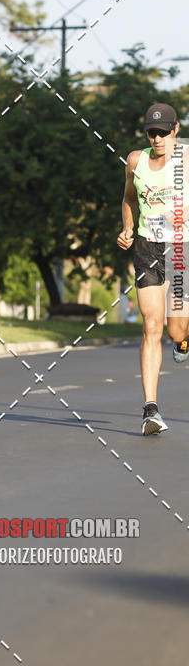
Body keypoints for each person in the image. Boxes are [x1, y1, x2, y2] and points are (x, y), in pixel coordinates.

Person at [117, 103, 189, 435]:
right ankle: (151, 410)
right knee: (151, 325)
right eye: (152, 132)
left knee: (177, 331)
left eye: (163, 132)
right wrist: (128, 228)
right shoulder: (136, 160)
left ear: (176, 130)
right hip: (148, 247)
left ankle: (183, 342)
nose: (157, 138)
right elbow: (130, 198)